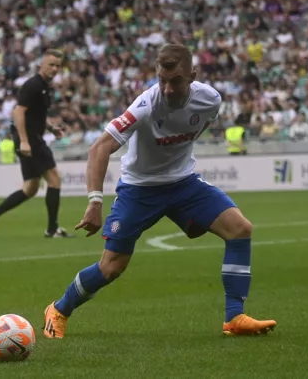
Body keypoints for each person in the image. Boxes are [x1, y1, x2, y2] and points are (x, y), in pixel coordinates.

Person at [42, 44, 277, 339]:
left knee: (240, 229)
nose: (166, 89)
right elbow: (100, 147)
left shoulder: (210, 101)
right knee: (111, 267)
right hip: (139, 189)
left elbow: (192, 133)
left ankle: (235, 318)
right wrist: (94, 201)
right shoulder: (145, 105)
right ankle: (58, 310)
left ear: (193, 75)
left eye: (175, 80)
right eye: (161, 80)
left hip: (183, 183)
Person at [0, 50, 71, 239]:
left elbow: (36, 115)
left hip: (30, 137)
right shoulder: (33, 85)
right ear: (40, 66)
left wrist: (52, 129)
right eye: (51, 64)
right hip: (30, 138)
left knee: (31, 188)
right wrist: (25, 141)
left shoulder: (45, 87)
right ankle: (52, 230)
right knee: (54, 179)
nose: (54, 69)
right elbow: (18, 112)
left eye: (57, 66)